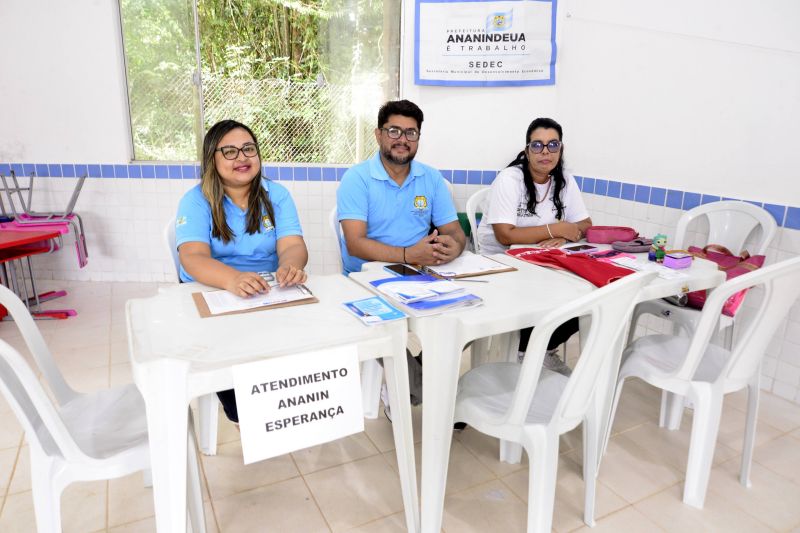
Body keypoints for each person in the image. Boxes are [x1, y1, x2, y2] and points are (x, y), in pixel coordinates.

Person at [336, 99, 466, 418]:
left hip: (420, 274)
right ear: (379, 135)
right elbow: (355, 244)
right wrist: (409, 253)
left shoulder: (430, 178)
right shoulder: (357, 179)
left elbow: (454, 230)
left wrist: (455, 246)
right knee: (389, 326)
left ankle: (423, 380)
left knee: (465, 316)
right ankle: (414, 386)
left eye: (411, 132)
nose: (402, 139)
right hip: (366, 280)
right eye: (394, 130)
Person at [175, 119, 308, 423]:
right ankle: (247, 417)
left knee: (301, 345)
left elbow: (293, 245)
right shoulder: (196, 200)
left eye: (249, 149)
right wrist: (232, 280)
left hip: (265, 292)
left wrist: (290, 266)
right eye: (230, 151)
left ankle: (289, 411)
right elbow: (192, 258)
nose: (242, 158)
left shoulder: (277, 195)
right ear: (212, 159)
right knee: (233, 356)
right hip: (213, 292)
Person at [477, 117, 592, 375]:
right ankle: (526, 350)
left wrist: (565, 235)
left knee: (587, 292)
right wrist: (556, 228)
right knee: (547, 292)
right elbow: (505, 235)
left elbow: (585, 222)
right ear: (527, 150)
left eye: (553, 145)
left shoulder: (565, 180)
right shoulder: (510, 179)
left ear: (561, 149)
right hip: (500, 263)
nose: (545, 152)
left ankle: (540, 349)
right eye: (537, 145)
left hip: (542, 261)